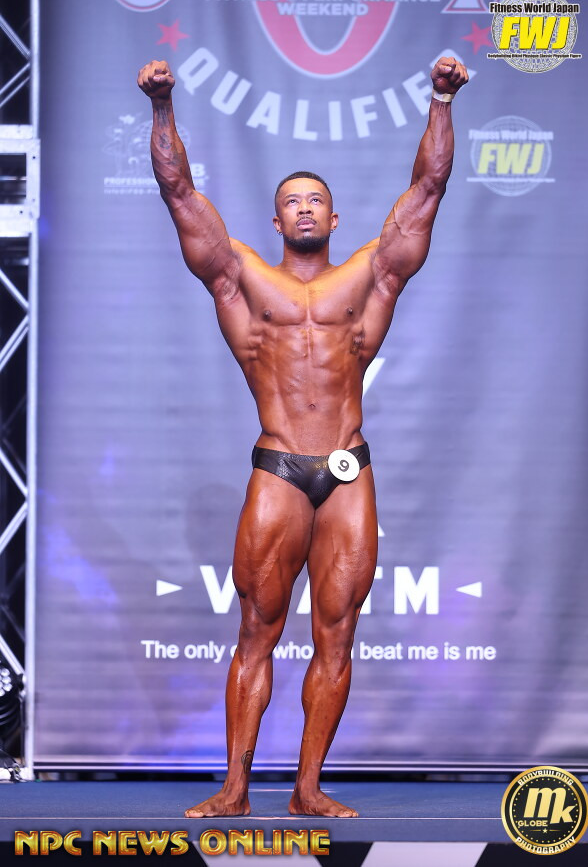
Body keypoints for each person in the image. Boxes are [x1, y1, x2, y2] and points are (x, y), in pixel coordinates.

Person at [137, 55, 468, 818]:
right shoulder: (243, 278)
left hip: (348, 469)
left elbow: (428, 190)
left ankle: (308, 787)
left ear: (335, 217)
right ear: (277, 221)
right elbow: (178, 192)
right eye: (292, 202)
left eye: (316, 199)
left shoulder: (370, 277)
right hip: (280, 466)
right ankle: (234, 787)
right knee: (257, 629)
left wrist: (442, 101)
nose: (306, 209)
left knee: (337, 635)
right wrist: (161, 108)